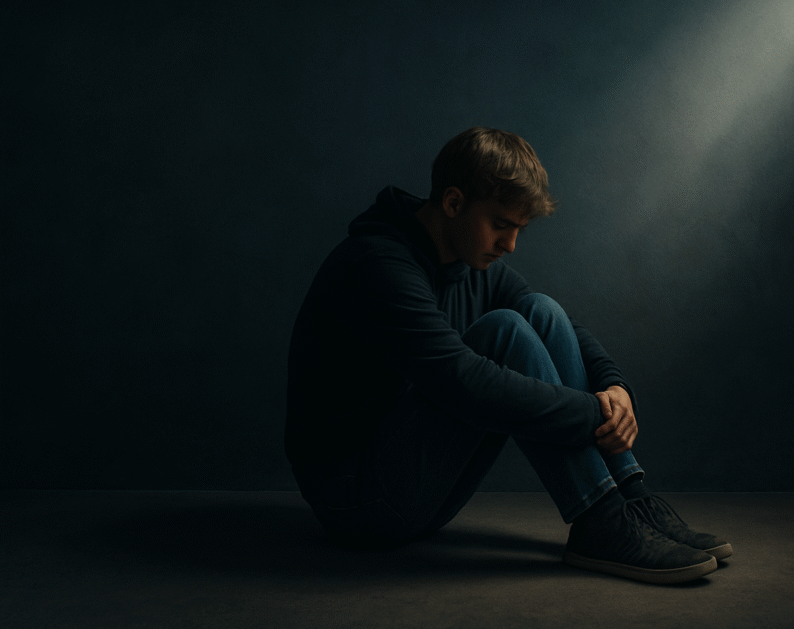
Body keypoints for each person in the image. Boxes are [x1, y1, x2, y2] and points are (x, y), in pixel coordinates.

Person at [285, 126, 731, 584]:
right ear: (454, 202)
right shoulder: (379, 267)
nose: (510, 244)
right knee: (505, 331)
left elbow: (565, 331)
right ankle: (600, 519)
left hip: (419, 491)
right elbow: (461, 382)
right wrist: (592, 412)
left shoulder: (466, 261)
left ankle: (632, 500)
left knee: (542, 309)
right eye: (500, 224)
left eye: (518, 229)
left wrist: (613, 386)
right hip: (359, 503)